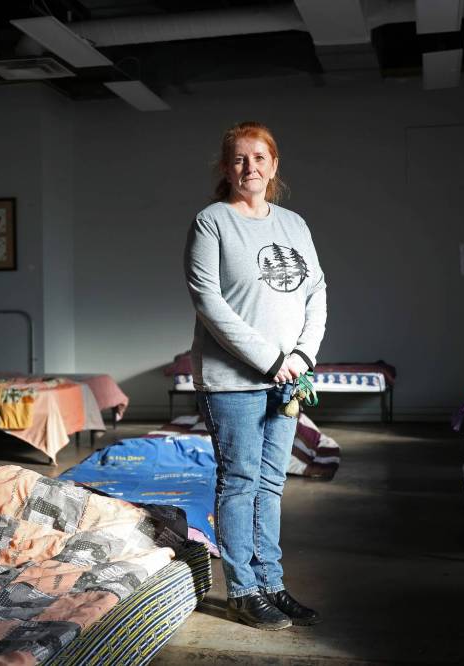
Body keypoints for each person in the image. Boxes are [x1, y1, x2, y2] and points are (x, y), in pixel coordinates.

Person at [184, 121, 327, 630]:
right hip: (233, 382)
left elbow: (316, 291)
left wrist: (303, 356)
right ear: (226, 168)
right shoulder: (211, 222)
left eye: (260, 158)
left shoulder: (294, 224)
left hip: (288, 377)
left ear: (274, 165)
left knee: (271, 484)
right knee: (240, 482)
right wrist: (271, 359)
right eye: (240, 159)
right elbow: (208, 302)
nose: (251, 167)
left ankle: (271, 582)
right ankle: (243, 591)